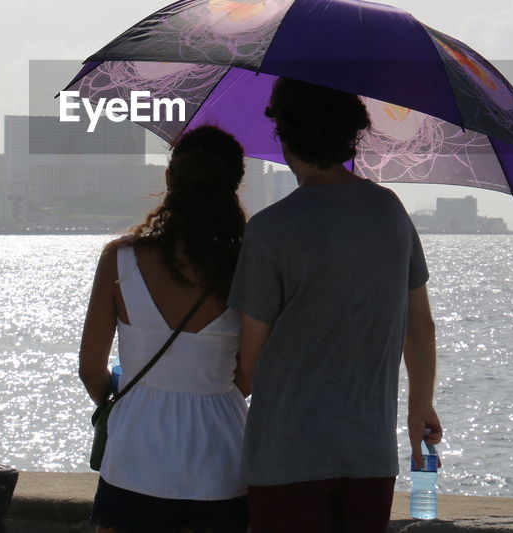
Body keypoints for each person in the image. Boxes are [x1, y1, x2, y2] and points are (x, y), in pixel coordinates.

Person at [229, 77, 442, 533]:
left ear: (283, 135)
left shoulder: (270, 230)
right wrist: (419, 405)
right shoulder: (390, 213)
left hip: (286, 456)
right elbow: (419, 328)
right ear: (353, 134)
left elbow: (250, 361)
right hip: (368, 455)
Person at [78, 125, 251, 533]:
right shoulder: (246, 266)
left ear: (171, 178)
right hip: (222, 455)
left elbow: (90, 367)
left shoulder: (119, 259)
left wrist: (127, 401)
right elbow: (250, 372)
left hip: (135, 454)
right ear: (234, 185)